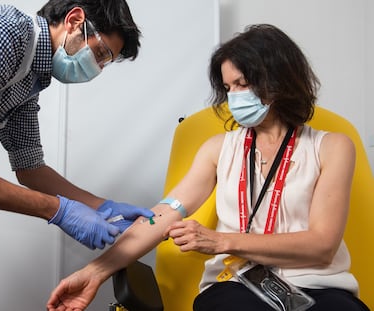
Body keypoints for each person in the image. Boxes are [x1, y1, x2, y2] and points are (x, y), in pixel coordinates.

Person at [46, 24, 369, 311]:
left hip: (319, 288)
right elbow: (162, 215)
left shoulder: (331, 146)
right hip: (238, 285)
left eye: (242, 84)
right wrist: (94, 272)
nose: (234, 98)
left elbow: (323, 246)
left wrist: (222, 241)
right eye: (228, 89)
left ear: (278, 80)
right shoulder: (218, 150)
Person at [0, 0, 154, 251]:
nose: (97, 69)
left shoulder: (29, 72)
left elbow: (29, 167)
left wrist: (101, 206)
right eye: (100, 53)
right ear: (74, 21)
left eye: (105, 63)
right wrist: (58, 210)